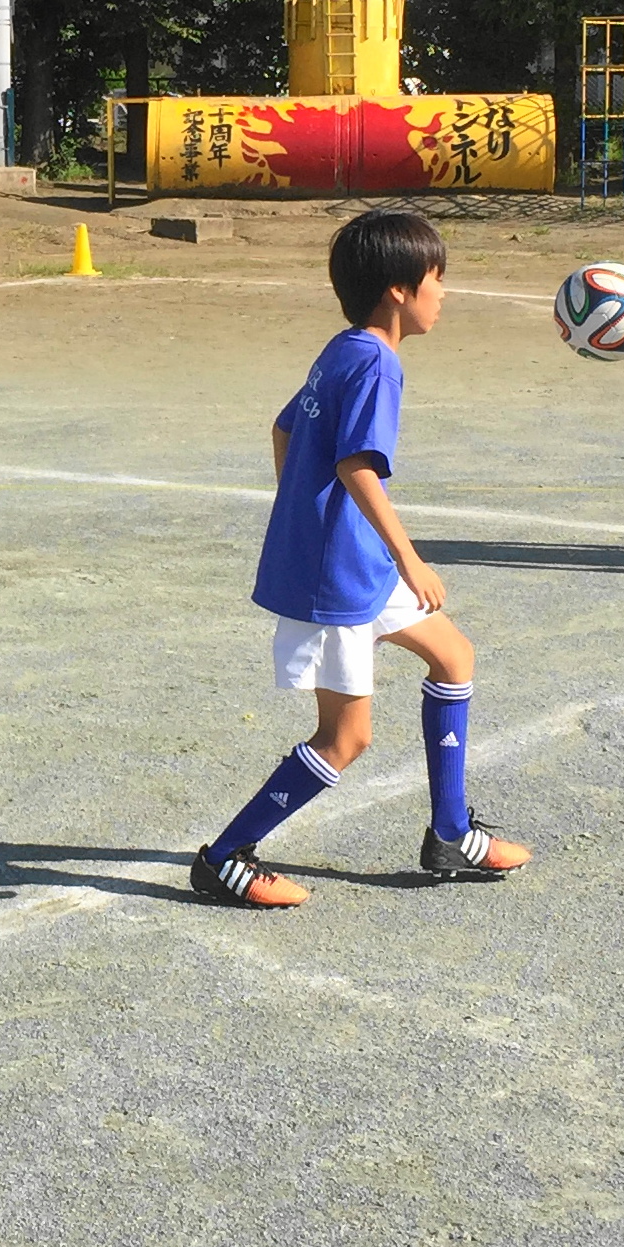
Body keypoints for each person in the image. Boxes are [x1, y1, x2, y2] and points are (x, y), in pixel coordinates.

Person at [190, 209, 532, 908]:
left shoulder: (344, 347)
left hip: (353, 559)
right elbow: (356, 464)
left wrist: (303, 513)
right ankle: (223, 857)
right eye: (437, 278)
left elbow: (284, 427)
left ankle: (450, 832)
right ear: (399, 290)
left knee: (453, 657)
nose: (444, 292)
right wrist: (409, 558)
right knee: (345, 738)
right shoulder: (377, 362)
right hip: (339, 577)